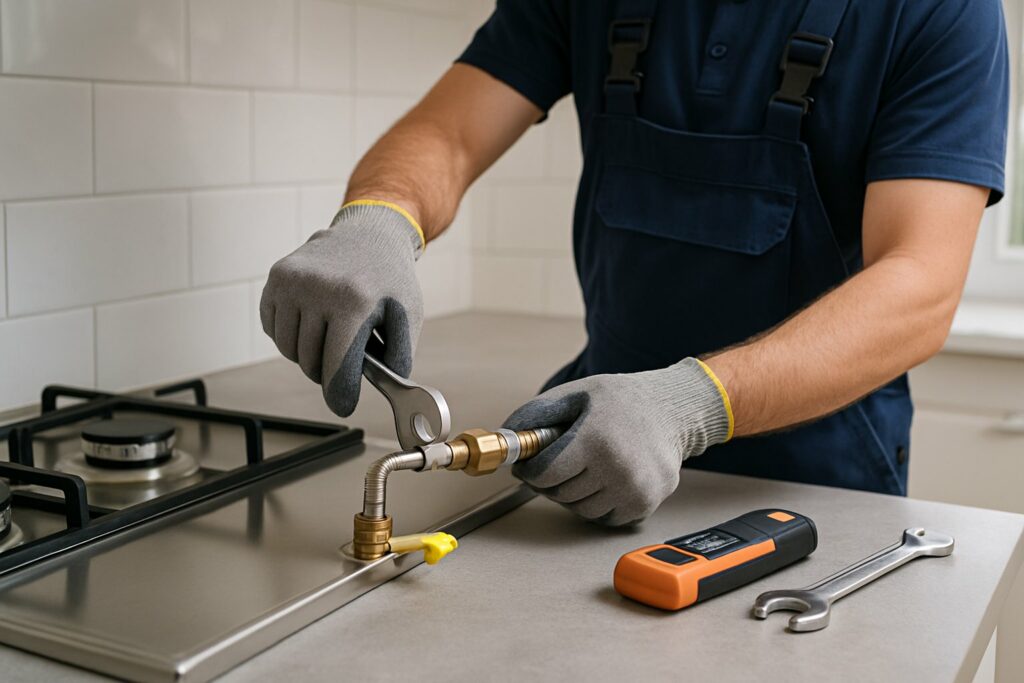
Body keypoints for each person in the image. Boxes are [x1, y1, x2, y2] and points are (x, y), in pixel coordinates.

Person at [261, 0, 1009, 526]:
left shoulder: (939, 10)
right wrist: (379, 219)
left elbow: (920, 283)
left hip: (817, 488)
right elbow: (448, 134)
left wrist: (688, 407)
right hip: (589, 458)